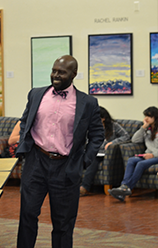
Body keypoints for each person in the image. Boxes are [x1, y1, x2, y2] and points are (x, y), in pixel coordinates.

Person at [16, 55, 104, 248]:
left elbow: (97, 134)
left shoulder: (87, 103)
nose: (55, 75)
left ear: (73, 74)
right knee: (27, 215)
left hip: (66, 167)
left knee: (63, 222)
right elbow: (25, 122)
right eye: (54, 70)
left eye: (61, 72)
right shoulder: (36, 94)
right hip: (36, 162)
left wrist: (84, 161)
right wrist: (25, 148)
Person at [108, 106, 158, 201]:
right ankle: (124, 187)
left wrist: (153, 155)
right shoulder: (147, 130)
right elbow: (135, 140)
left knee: (141, 164)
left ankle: (127, 188)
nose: (146, 118)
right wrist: (143, 127)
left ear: (156, 117)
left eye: (149, 116)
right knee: (131, 160)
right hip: (147, 155)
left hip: (156, 156)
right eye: (145, 116)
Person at [80, 106, 130, 196]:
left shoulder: (113, 126)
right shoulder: (90, 126)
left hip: (104, 154)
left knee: (93, 162)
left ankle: (84, 187)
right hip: (91, 151)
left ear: (103, 118)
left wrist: (112, 143)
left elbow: (126, 136)